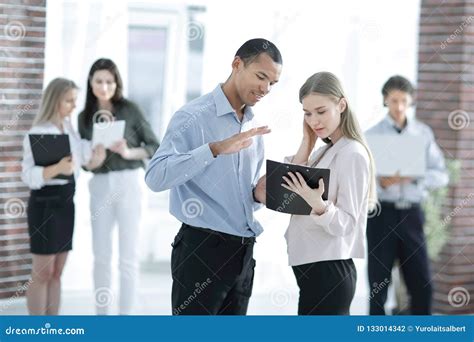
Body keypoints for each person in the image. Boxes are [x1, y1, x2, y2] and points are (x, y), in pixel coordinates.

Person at [145, 38, 282, 315]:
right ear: (236, 64)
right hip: (202, 253)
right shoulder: (193, 117)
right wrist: (215, 149)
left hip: (243, 254)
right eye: (261, 77)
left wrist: (257, 193)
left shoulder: (253, 126)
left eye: (272, 83)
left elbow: (243, 199)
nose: (266, 88)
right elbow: (155, 177)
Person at [277, 72, 377, 315]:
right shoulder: (325, 151)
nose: (314, 121)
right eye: (307, 113)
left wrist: (318, 204)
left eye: (321, 111)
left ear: (341, 105)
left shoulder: (351, 153)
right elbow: (287, 191)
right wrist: (307, 142)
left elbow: (348, 224)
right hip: (315, 273)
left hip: (329, 274)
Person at [78, 58, 160, 315]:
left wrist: (127, 151)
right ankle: (102, 319)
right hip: (100, 184)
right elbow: (84, 162)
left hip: (129, 182)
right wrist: (94, 161)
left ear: (116, 84)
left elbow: (154, 146)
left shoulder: (131, 109)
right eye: (99, 81)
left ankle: (125, 320)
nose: (104, 87)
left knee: (128, 256)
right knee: (101, 256)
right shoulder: (84, 117)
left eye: (109, 82)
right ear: (91, 84)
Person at [22, 78, 106, 315]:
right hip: (44, 206)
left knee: (58, 272)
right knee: (42, 273)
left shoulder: (69, 130)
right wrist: (58, 168)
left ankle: (53, 327)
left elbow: (85, 159)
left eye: (75, 100)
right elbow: (28, 175)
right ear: (54, 100)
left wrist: (97, 155)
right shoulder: (39, 132)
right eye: (69, 100)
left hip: (65, 205)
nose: (73, 105)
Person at [366, 75, 448, 315]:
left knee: (422, 284)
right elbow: (361, 179)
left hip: (412, 215)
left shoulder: (422, 134)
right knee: (377, 286)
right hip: (381, 214)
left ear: (411, 101)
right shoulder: (371, 136)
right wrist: (380, 182)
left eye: (403, 100)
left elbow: (441, 175)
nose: (399, 106)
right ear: (385, 101)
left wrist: (414, 175)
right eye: (393, 100)